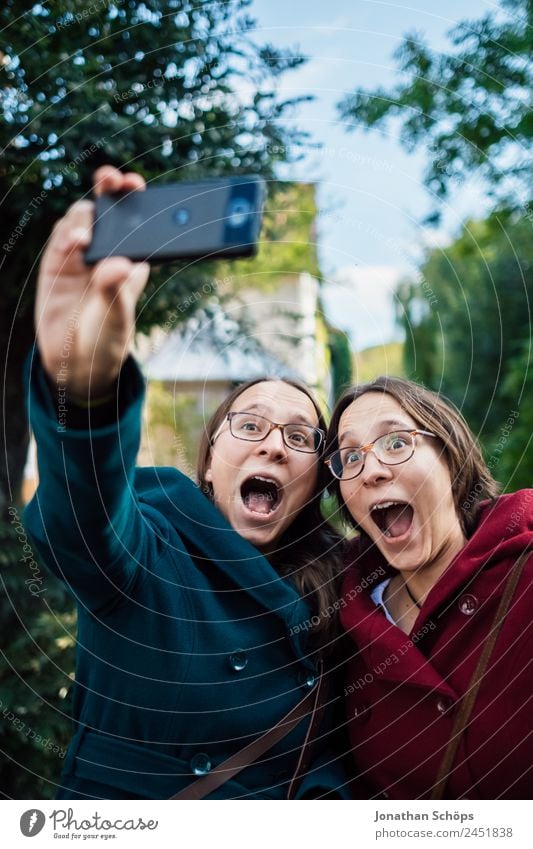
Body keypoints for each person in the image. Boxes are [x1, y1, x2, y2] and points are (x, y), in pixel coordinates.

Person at [23, 166, 350, 800]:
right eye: (249, 423)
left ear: (316, 481)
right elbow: (81, 519)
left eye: (301, 437)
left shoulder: (344, 583)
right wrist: (86, 393)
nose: (274, 445)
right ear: (209, 461)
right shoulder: (148, 549)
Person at [324, 375, 533, 799]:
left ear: (450, 456)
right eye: (349, 458)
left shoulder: (524, 570)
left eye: (396, 442)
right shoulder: (339, 617)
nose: (372, 472)